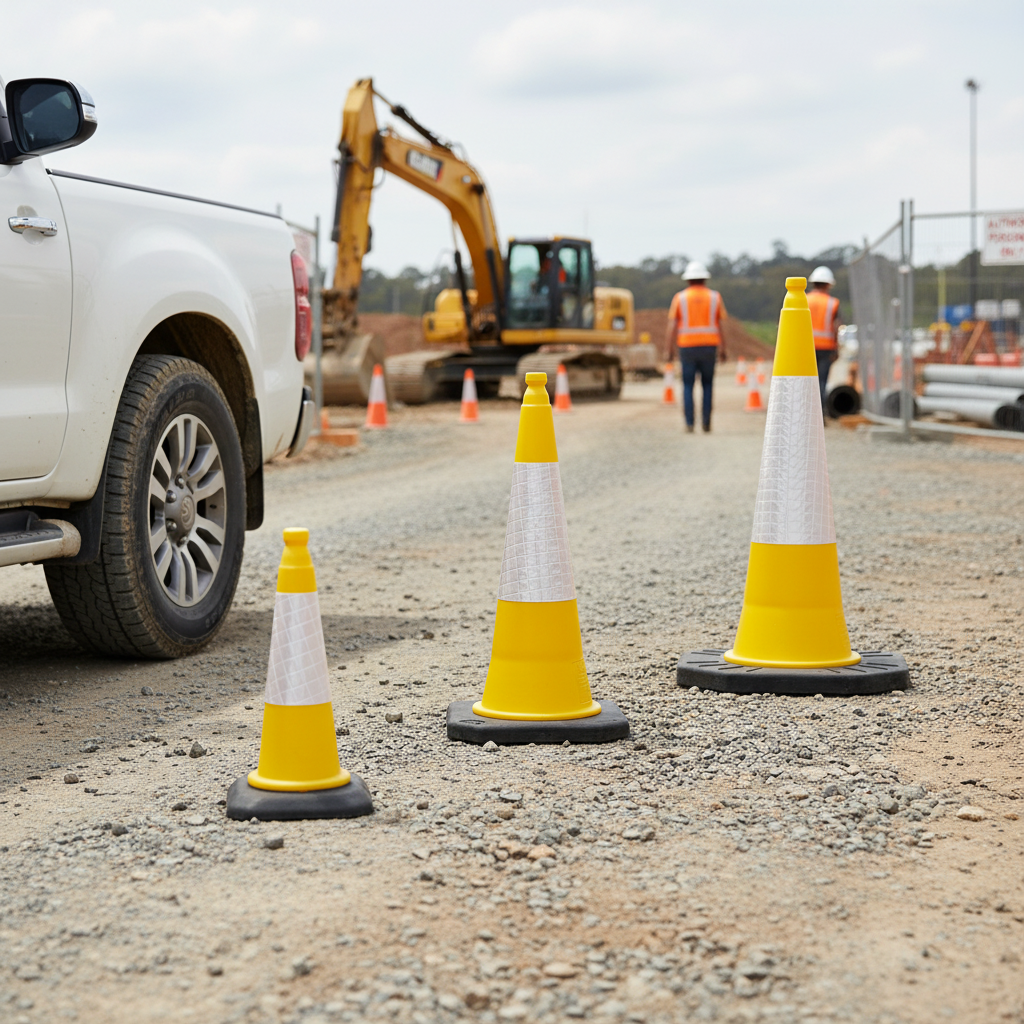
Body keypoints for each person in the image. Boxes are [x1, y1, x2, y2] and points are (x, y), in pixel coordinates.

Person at [665, 261, 727, 432]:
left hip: (687, 348)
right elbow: (720, 325)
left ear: (688, 280)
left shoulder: (680, 298)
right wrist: (723, 349)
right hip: (709, 346)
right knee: (707, 385)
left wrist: (668, 350)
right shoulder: (715, 297)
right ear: (705, 279)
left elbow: (672, 326)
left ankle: (689, 423)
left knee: (687, 385)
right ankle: (707, 423)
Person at [807, 266, 841, 417]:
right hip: (826, 347)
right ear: (828, 284)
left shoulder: (804, 300)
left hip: (806, 347)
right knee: (821, 381)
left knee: (806, 380)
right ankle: (819, 414)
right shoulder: (832, 303)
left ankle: (807, 413)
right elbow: (836, 327)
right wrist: (837, 348)